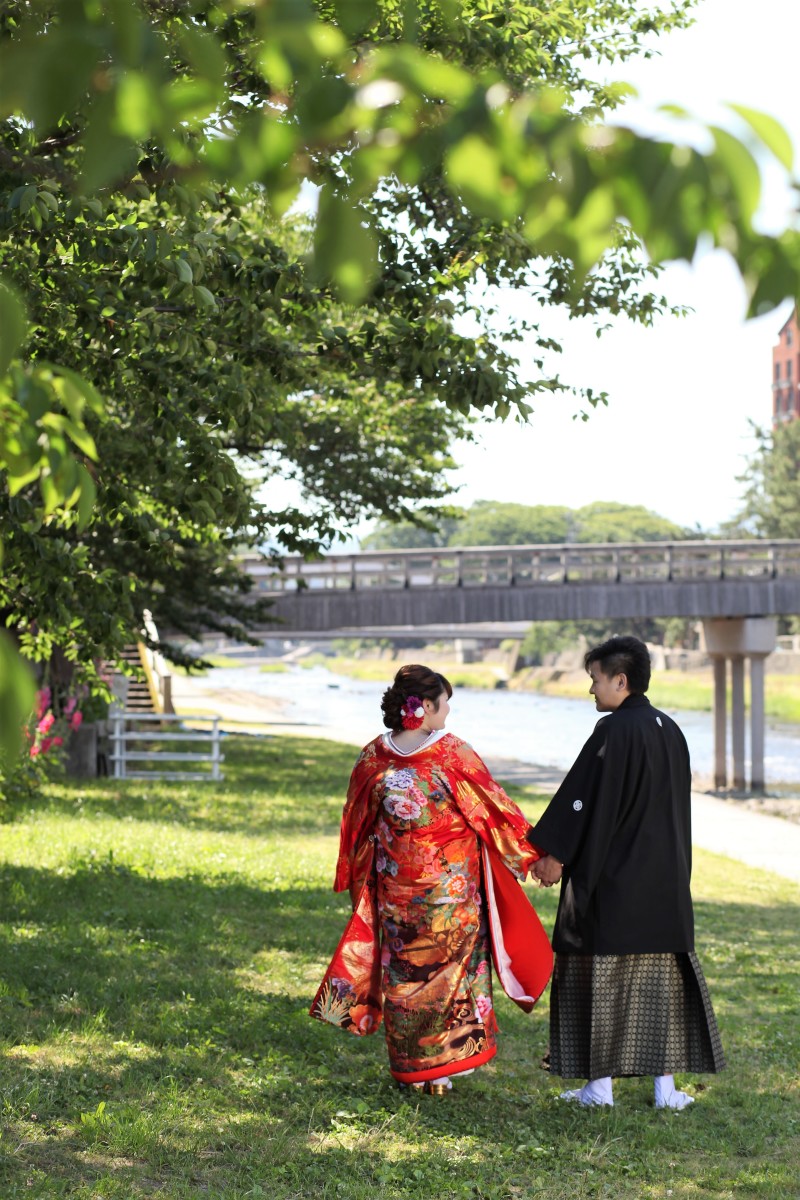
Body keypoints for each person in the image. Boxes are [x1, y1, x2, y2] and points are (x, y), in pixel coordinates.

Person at [310, 663, 553, 1094]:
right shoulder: (451, 752)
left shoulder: (372, 756)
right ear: (424, 706)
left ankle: (412, 1069)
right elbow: (494, 808)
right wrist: (532, 853)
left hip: (396, 892)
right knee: (450, 977)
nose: (447, 715)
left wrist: (355, 872)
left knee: (403, 979)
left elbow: (356, 822)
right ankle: (441, 1071)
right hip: (449, 893)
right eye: (444, 705)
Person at [530, 635, 725, 1110]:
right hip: (664, 884)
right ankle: (666, 1091)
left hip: (613, 883)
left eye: (595, 680)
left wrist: (553, 852)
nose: (591, 690)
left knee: (602, 984)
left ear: (621, 680)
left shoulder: (612, 732)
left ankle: (599, 1089)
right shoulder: (671, 730)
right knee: (659, 992)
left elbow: (582, 800)